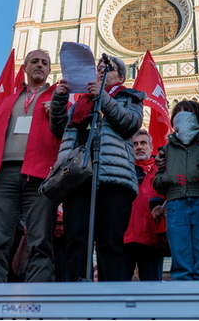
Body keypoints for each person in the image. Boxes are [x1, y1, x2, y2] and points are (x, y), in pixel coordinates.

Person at [50, 55, 145, 281]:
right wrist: (59, 101)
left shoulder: (129, 97)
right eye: (98, 69)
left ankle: (108, 299)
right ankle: (77, 297)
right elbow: (59, 130)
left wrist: (103, 98)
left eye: (108, 68)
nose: (101, 71)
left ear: (121, 76)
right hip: (77, 178)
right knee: (77, 239)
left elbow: (130, 123)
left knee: (110, 240)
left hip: (113, 178)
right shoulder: (81, 104)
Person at [0, 49, 60, 283]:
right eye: (34, 62)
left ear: (50, 70)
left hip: (40, 176)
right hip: (1, 176)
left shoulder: (58, 98)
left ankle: (35, 304)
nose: (39, 65)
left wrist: (58, 113)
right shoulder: (6, 101)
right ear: (25, 68)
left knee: (40, 243)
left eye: (45, 63)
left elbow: (67, 134)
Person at [153, 100, 199, 281]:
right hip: (175, 204)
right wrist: (166, 178)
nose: (183, 117)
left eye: (188, 112)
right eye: (178, 113)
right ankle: (185, 304)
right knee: (181, 263)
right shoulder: (166, 149)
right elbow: (157, 180)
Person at [122, 129, 166, 281]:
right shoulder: (122, 169)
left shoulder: (161, 170)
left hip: (151, 238)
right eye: (135, 144)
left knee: (152, 290)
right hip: (125, 238)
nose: (139, 147)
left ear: (151, 146)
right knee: (119, 290)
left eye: (143, 143)